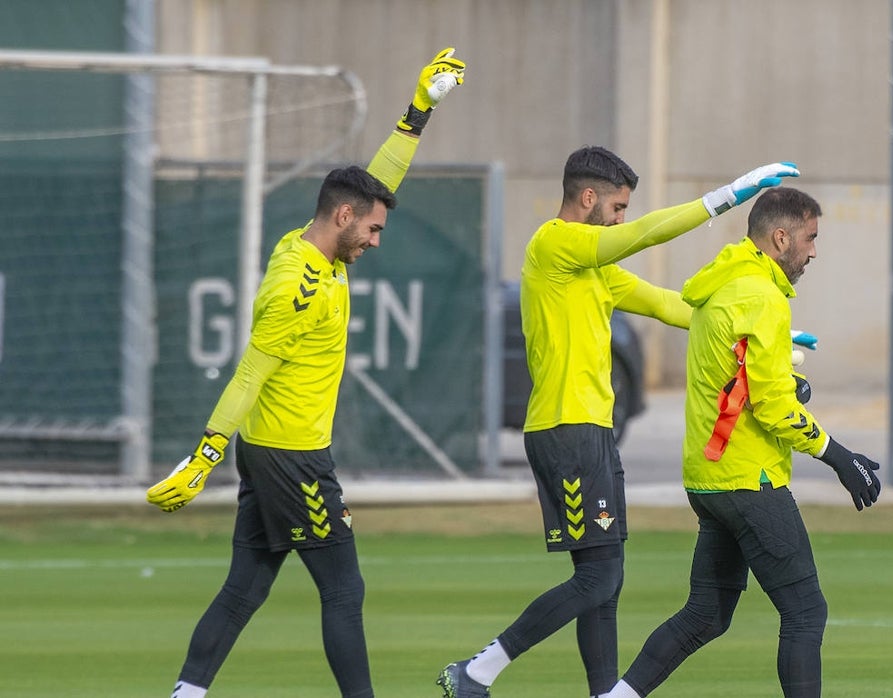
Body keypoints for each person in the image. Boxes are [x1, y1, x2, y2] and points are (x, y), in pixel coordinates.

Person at [144, 47, 466, 698]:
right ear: (343, 218)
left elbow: (377, 184)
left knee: (247, 585)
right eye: (372, 230)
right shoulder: (298, 285)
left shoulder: (312, 243)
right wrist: (203, 456)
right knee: (344, 589)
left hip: (271, 452)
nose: (376, 240)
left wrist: (418, 110)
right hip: (292, 457)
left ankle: (185, 694)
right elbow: (249, 373)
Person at [436, 148, 800, 698]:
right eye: (618, 206)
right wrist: (726, 197)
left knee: (604, 583)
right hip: (567, 430)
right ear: (588, 198)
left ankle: (605, 694)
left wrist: (766, 331)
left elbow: (671, 305)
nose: (622, 219)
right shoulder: (554, 244)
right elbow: (647, 235)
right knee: (599, 579)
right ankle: (478, 670)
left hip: (591, 433)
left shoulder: (594, 270)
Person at [600, 187, 882, 698]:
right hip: (749, 478)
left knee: (705, 615)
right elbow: (772, 407)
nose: (814, 251)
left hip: (710, 480)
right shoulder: (762, 295)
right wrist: (838, 456)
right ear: (780, 238)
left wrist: (785, 385)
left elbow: (737, 377)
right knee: (805, 610)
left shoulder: (722, 284)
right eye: (810, 238)